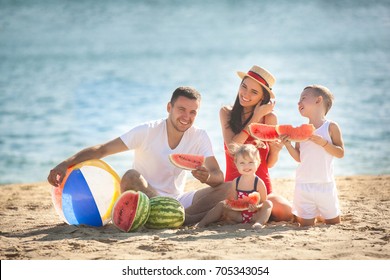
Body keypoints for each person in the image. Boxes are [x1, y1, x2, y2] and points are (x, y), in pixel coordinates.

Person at [47, 86, 227, 225]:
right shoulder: (147, 131)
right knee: (130, 176)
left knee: (230, 187)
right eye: (181, 109)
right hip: (143, 201)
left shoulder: (199, 136)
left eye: (193, 112)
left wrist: (208, 177)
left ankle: (181, 217)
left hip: (177, 202)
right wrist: (66, 163)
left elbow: (218, 176)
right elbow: (102, 149)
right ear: (169, 107)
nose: (187, 116)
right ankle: (183, 217)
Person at [219, 65, 292, 221]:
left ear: (262, 98)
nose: (245, 94)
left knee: (287, 214)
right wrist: (255, 118)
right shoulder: (226, 112)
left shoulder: (270, 118)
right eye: (243, 87)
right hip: (234, 189)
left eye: (254, 92)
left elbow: (269, 163)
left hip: (262, 189)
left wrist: (276, 151)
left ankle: (258, 214)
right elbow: (233, 148)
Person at [280, 85, 345, 226]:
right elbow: (299, 158)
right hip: (303, 185)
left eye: (303, 98)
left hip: (325, 185)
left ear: (318, 100)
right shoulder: (301, 130)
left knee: (334, 223)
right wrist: (288, 145)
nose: (298, 102)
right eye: (298, 100)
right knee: (306, 225)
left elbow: (340, 153)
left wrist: (324, 143)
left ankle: (321, 215)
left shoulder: (331, 127)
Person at [195, 143, 273, 230]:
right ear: (236, 164)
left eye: (250, 162)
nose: (246, 166)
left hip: (254, 216)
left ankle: (259, 223)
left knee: (268, 204)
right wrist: (230, 205)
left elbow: (263, 202)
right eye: (242, 163)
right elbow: (233, 200)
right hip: (238, 216)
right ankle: (202, 223)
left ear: (258, 163)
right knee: (221, 204)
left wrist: (257, 207)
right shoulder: (236, 182)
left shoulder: (258, 183)